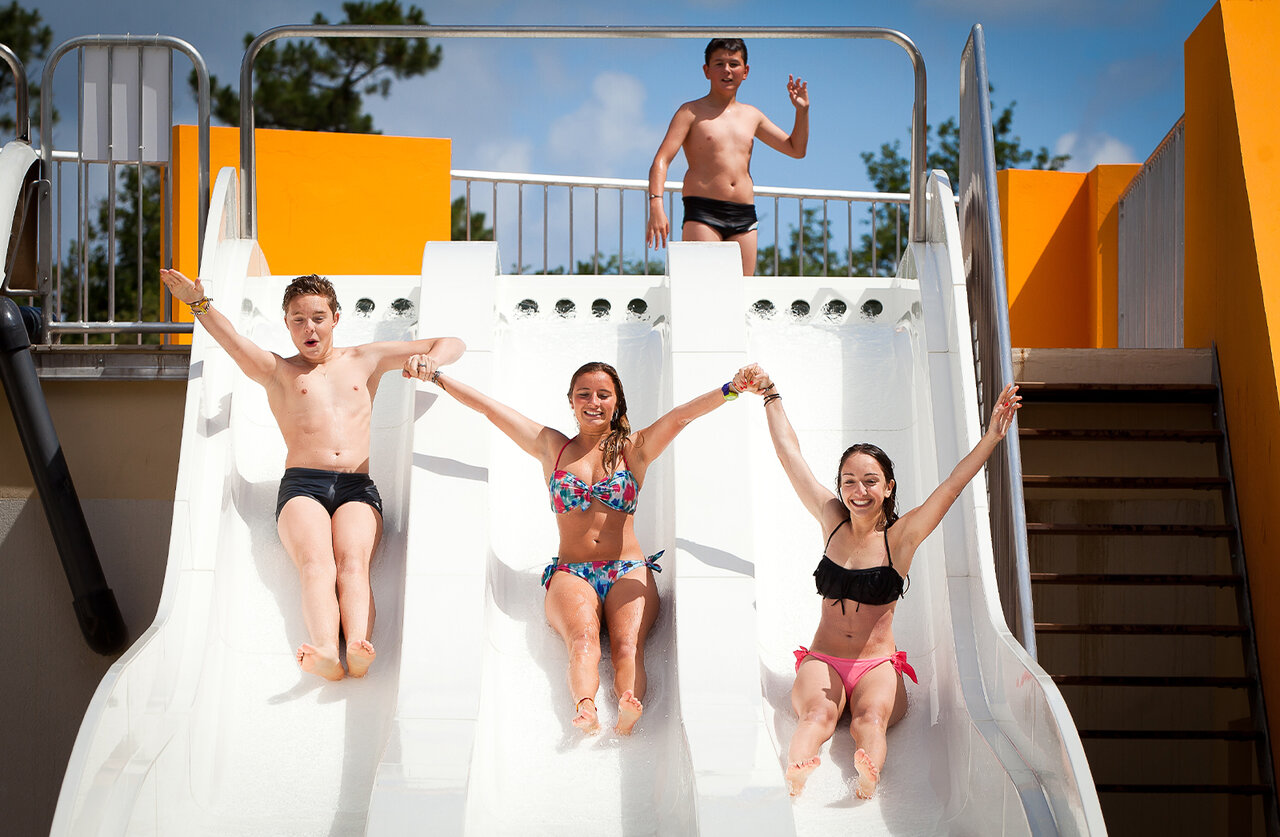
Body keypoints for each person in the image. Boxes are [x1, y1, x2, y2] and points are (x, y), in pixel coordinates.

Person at [403, 358, 751, 735]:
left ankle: (627, 706)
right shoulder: (550, 445)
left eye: (604, 394)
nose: (594, 401)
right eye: (584, 394)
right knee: (583, 641)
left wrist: (731, 389)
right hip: (572, 571)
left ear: (616, 402)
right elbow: (490, 409)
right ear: (570, 401)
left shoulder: (635, 449)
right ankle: (585, 706)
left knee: (627, 646)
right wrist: (437, 376)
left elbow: (682, 417)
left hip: (628, 569)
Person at [160, 268, 465, 682]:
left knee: (354, 564)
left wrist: (430, 360)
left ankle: (358, 645)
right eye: (298, 319)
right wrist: (199, 303)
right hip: (302, 486)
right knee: (316, 564)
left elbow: (452, 343)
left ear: (335, 318)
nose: (309, 328)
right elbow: (233, 341)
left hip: (357, 487)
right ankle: (325, 647)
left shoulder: (366, 359)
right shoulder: (278, 371)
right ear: (286, 324)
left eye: (318, 317)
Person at [737, 364, 1020, 799]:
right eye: (849, 481)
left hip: (877, 666)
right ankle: (798, 769)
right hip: (824, 660)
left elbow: (951, 487)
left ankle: (867, 775)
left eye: (870, 481)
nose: (859, 490)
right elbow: (789, 455)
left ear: (888, 487)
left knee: (869, 720)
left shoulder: (901, 537)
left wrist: (992, 437)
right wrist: (771, 394)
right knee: (816, 717)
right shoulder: (831, 520)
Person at [645, 37, 809, 277]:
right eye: (719, 63)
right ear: (706, 70)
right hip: (703, 212)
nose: (727, 70)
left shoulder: (752, 115)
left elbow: (796, 149)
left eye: (734, 64)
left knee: (741, 294)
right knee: (701, 290)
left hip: (744, 215)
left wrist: (802, 112)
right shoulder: (690, 112)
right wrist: (656, 205)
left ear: (746, 71)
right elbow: (661, 159)